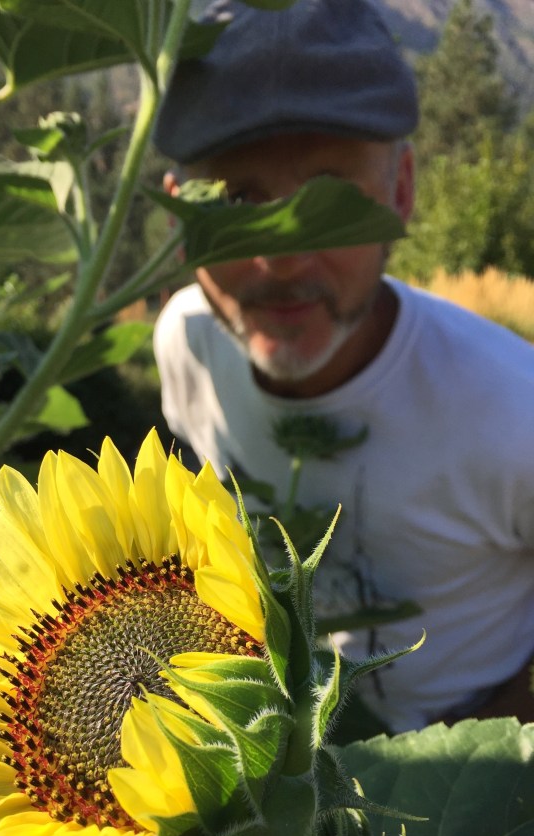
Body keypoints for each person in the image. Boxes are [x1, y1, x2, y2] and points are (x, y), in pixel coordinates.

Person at [151, 0, 534, 733]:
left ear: (401, 193)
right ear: (180, 220)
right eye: (238, 199)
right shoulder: (185, 343)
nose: (283, 257)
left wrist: (491, 749)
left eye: (329, 198)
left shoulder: (514, 408)